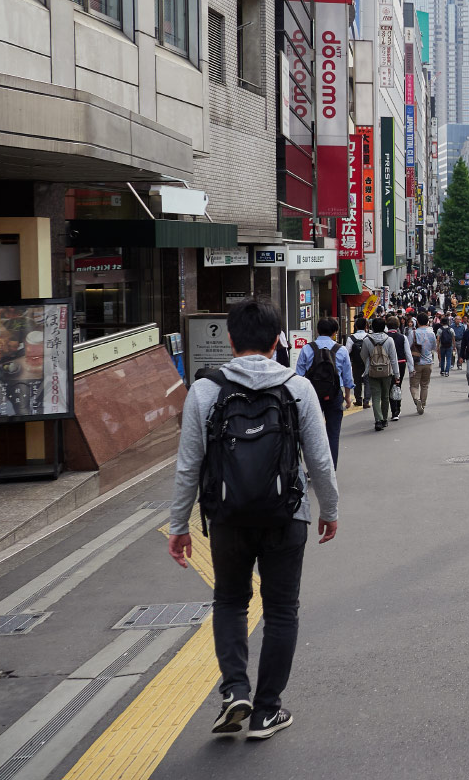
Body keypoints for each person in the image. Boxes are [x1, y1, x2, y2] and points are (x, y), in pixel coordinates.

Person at [167, 298, 338, 740]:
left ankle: (234, 691)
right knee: (282, 610)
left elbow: (189, 464)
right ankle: (266, 711)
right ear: (278, 340)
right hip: (287, 516)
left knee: (229, 601)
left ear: (229, 340)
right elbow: (320, 461)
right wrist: (330, 511)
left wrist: (179, 526)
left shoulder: (206, 390)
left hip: (227, 517)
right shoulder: (297, 388)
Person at [294, 317, 352, 468]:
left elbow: (298, 375)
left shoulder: (307, 348)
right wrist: (347, 397)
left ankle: (314, 469)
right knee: (333, 433)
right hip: (334, 394)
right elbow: (347, 376)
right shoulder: (341, 350)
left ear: (317, 330)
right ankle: (330, 469)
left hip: (311, 395)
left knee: (313, 434)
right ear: (334, 332)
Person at [361, 317, 401, 431]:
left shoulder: (367, 340)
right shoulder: (389, 340)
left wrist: (369, 364)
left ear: (372, 327)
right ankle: (384, 419)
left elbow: (363, 355)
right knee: (385, 396)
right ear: (384, 327)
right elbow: (393, 358)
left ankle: (378, 420)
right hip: (387, 372)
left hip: (372, 371)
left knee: (376, 396)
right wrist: (397, 375)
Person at [407, 312, 437, 414]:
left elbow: (408, 347)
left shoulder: (413, 333)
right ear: (427, 321)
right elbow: (434, 347)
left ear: (417, 322)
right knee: (425, 385)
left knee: (414, 385)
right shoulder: (431, 333)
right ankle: (423, 405)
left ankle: (417, 400)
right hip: (428, 362)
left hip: (416, 363)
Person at [384, 316, 413, 421]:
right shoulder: (402, 337)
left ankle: (393, 410)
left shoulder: (385, 337)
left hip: (387, 364)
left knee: (389, 387)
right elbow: (408, 354)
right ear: (398, 325)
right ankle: (397, 409)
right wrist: (411, 368)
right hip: (400, 363)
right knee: (397, 385)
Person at [346, 317, 369, 406]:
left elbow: (347, 351)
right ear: (366, 326)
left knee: (357, 381)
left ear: (355, 326)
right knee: (367, 381)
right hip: (366, 362)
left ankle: (358, 399)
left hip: (355, 362)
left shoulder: (351, 338)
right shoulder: (369, 337)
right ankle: (366, 400)